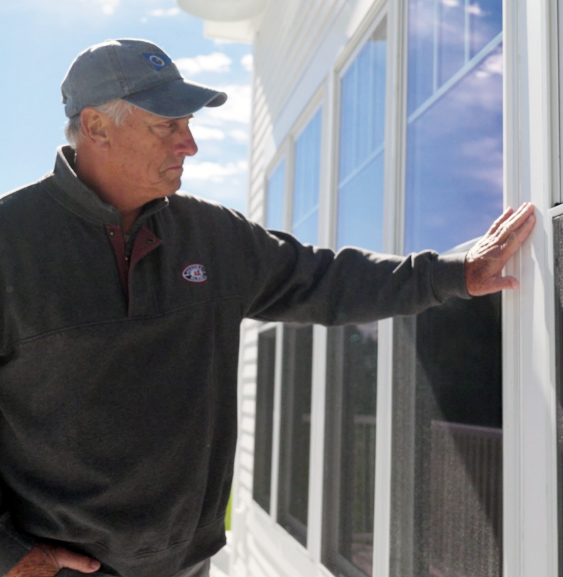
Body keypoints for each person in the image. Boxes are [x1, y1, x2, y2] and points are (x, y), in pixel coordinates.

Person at [0, 38, 534, 577]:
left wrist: (454, 274)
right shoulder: (10, 242)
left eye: (188, 124)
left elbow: (326, 279)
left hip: (186, 566)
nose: (190, 145)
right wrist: (8, 552)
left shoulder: (212, 236)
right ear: (95, 127)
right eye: (168, 126)